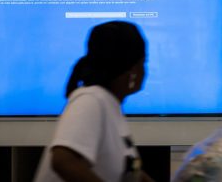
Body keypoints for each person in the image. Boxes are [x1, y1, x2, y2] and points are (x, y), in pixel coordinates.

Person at [34, 21, 153, 182]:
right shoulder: (91, 100)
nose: (145, 70)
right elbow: (64, 161)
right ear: (132, 69)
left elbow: (131, 172)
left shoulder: (109, 104)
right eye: (143, 62)